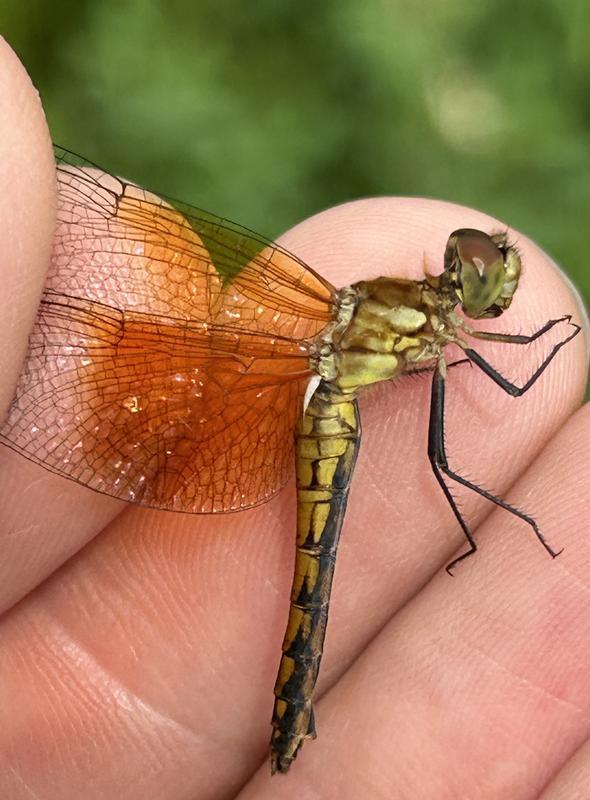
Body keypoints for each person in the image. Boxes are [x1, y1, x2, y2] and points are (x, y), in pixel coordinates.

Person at [0, 35, 588, 800]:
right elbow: (487, 414)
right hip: (326, 402)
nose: (484, 282)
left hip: (329, 389)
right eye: (476, 272)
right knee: (445, 465)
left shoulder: (428, 322)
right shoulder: (435, 329)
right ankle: (293, 709)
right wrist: (544, 344)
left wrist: (541, 336)